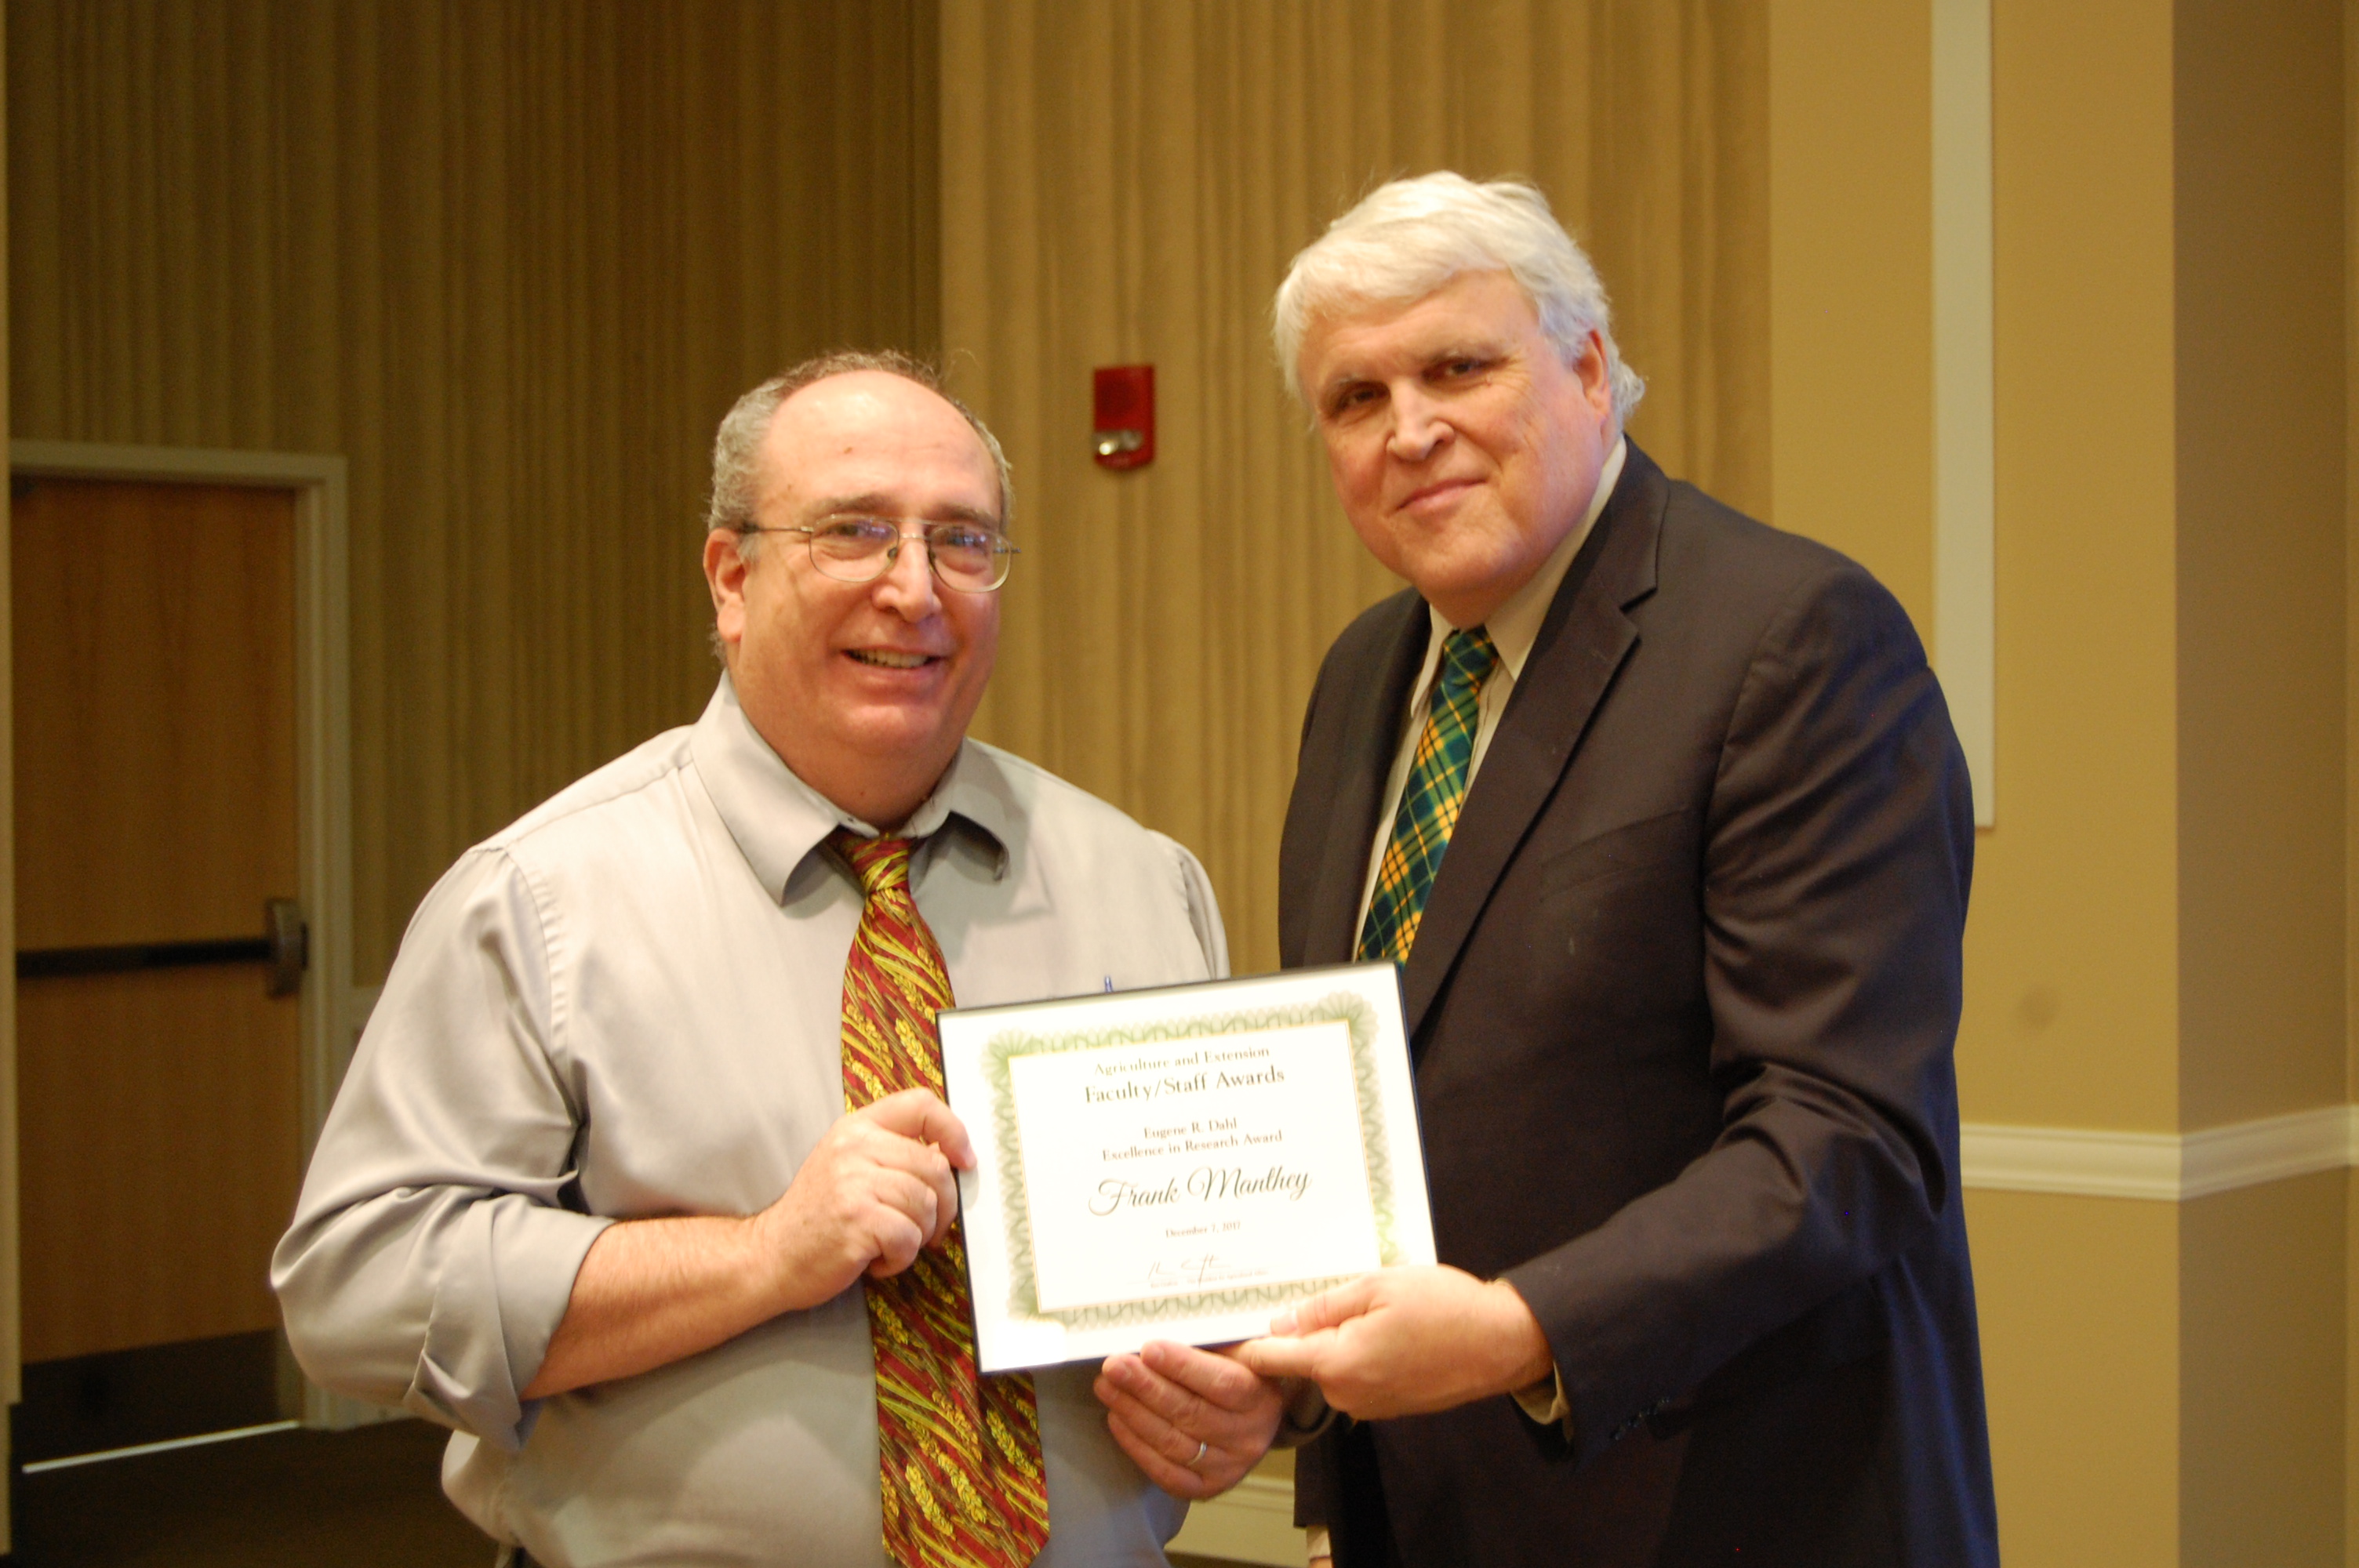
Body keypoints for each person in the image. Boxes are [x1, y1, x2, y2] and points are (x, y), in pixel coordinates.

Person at [274, 351, 1281, 1568]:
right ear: (731, 576)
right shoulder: (542, 900)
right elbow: (356, 1289)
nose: (914, 589)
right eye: (854, 532)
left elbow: (1252, 1267)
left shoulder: (1141, 882)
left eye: (962, 541)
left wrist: (1254, 1395)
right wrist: (761, 1256)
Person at [1231, 174, 1999, 1566]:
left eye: (1460, 365)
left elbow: (1848, 1135)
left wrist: (1521, 1333)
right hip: (1429, 1506)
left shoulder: (1794, 636)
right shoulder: (1363, 675)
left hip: (1730, 1507)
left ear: (1589, 368)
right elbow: (1358, 1085)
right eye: (1355, 398)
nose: (1412, 430)